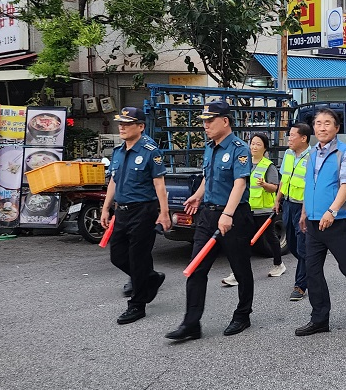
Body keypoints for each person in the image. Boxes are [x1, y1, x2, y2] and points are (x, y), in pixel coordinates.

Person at [165, 101, 254, 341]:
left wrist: (228, 214)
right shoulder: (209, 148)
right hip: (207, 215)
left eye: (209, 120)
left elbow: (240, 183)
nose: (205, 125)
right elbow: (208, 176)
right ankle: (191, 323)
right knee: (196, 267)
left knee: (240, 268)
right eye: (203, 121)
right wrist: (197, 195)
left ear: (225, 121)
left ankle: (242, 315)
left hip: (233, 215)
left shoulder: (239, 148)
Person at [295, 108, 346, 336]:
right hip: (313, 224)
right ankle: (320, 319)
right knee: (313, 272)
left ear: (337, 128)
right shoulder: (312, 153)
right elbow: (310, 186)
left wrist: (331, 211)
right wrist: (304, 211)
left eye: (327, 123)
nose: (322, 127)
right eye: (318, 123)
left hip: (338, 222)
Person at [101, 106, 170, 325]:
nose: (121, 127)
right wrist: (105, 207)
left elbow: (159, 184)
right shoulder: (119, 152)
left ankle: (137, 305)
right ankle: (151, 278)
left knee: (137, 258)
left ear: (140, 127)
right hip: (122, 211)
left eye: (127, 123)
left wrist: (164, 213)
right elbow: (113, 180)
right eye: (120, 123)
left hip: (143, 211)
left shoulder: (150, 151)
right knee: (117, 256)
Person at [221, 132, 284, 287]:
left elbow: (274, 188)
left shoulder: (268, 166)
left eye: (258, 144)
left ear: (265, 148)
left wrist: (264, 185)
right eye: (252, 143)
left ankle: (278, 264)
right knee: (242, 241)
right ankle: (237, 273)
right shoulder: (243, 162)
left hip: (263, 210)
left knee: (270, 238)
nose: (254, 147)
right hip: (246, 210)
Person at [274, 123, 311, 302]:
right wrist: (277, 198)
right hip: (288, 204)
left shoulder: (312, 156)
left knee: (302, 244)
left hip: (304, 207)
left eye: (292, 135)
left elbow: (312, 185)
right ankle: (311, 266)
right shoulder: (288, 154)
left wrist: (306, 209)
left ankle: (301, 285)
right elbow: (284, 178)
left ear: (303, 138)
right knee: (294, 244)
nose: (289, 139)